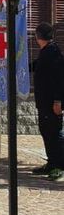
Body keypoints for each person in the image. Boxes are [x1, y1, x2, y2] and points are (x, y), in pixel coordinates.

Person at [32, 22, 64, 181]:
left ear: (39, 36)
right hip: (44, 102)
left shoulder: (53, 52)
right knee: (46, 132)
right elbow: (38, 66)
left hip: (52, 103)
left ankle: (59, 166)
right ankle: (52, 163)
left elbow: (59, 79)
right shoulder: (46, 51)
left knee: (55, 133)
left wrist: (58, 101)